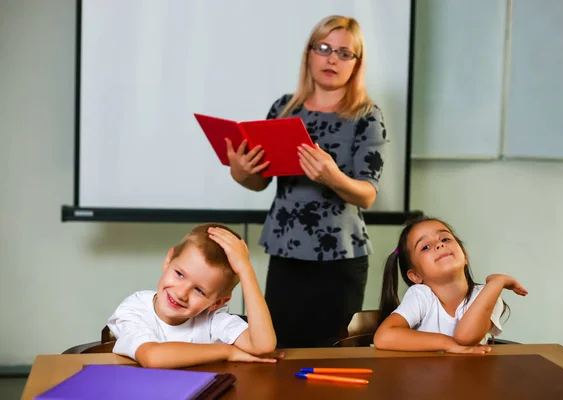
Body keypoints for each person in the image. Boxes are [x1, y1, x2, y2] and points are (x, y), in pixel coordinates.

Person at [225, 15, 388, 348]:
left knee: (331, 351)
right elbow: (261, 182)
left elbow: (367, 195)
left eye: (345, 53)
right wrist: (241, 171)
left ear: (356, 64)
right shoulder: (284, 109)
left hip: (340, 257)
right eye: (324, 48)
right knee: (280, 347)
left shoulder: (366, 115)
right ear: (309, 54)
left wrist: (332, 176)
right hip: (286, 250)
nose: (331, 58)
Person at [106, 223, 278, 368]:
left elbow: (263, 345)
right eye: (180, 274)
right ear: (168, 261)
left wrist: (245, 269)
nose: (181, 293)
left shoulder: (211, 320)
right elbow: (153, 357)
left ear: (217, 303)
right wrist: (227, 351)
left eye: (199, 290)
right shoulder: (135, 310)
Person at [374, 216, 528, 354]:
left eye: (445, 239)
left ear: (465, 256)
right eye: (425, 247)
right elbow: (383, 337)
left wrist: (496, 283)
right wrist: (447, 344)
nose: (439, 245)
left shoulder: (488, 295)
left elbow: (466, 337)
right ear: (415, 276)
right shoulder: (420, 295)